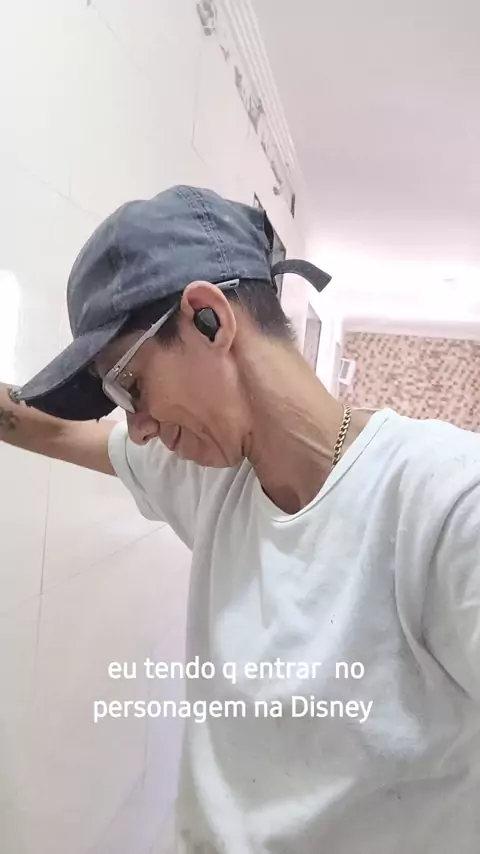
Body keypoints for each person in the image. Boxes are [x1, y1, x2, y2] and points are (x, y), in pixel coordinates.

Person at [0, 185, 479, 854]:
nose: (138, 429)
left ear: (209, 319)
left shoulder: (449, 502)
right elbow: (50, 430)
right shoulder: (211, 478)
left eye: (129, 388)